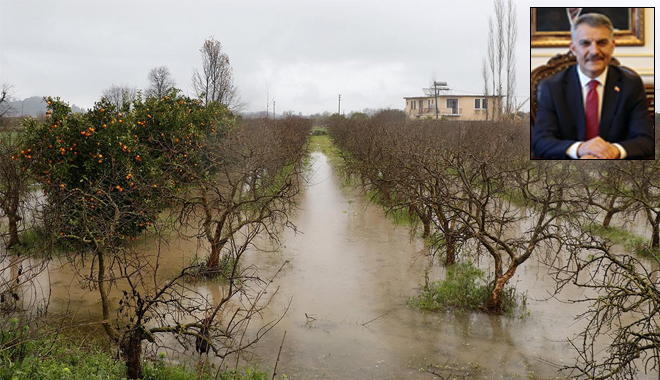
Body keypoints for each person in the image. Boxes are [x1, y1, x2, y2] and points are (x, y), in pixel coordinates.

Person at [532, 13, 654, 159]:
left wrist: (613, 151)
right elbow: (541, 142)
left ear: (612, 46)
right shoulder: (553, 87)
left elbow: (646, 140)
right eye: (585, 43)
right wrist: (580, 149)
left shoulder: (630, 84)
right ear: (573, 48)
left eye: (602, 43)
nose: (594, 51)